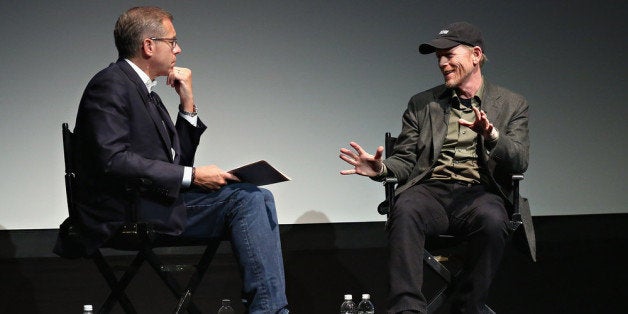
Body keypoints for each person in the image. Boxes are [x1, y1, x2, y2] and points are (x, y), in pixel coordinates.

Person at [56, 6, 288, 313]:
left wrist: (187, 103)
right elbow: (112, 160)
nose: (178, 49)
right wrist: (193, 177)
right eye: (172, 41)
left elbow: (176, 160)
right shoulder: (111, 85)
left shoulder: (144, 92)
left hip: (149, 203)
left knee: (256, 195)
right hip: (126, 213)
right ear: (149, 46)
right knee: (249, 201)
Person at [339, 22, 534, 314]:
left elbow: (519, 161)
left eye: (449, 54)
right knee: (404, 208)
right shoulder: (422, 104)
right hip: (431, 192)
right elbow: (405, 160)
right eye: (438, 57)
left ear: (476, 55)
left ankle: (466, 307)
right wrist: (381, 169)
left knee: (494, 221)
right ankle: (407, 309)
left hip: (481, 194)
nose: (442, 63)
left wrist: (492, 135)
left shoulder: (511, 104)